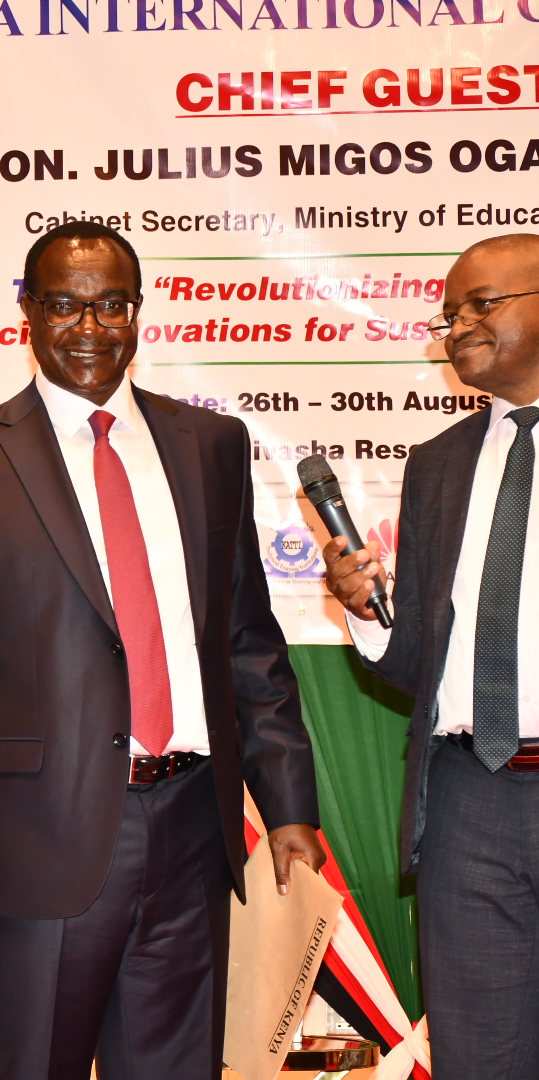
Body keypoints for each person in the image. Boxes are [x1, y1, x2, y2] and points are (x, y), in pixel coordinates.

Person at [0, 221, 325, 1079]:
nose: (89, 327)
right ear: (25, 313)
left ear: (138, 313)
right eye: (63, 305)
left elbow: (246, 640)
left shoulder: (209, 448)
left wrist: (287, 802)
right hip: (39, 841)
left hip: (191, 834)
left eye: (110, 305)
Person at [321, 233, 539, 1080]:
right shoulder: (438, 464)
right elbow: (417, 664)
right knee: (481, 1058)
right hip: (466, 803)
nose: (459, 326)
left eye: (482, 304)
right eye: (451, 313)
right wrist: (368, 615)